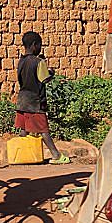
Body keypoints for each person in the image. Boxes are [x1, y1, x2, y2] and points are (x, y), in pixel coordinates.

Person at [15, 31, 70, 164]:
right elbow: (44, 79)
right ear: (34, 45)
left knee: (24, 129)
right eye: (39, 45)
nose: (40, 48)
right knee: (43, 129)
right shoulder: (38, 62)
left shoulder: (21, 61)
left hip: (22, 99)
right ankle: (56, 155)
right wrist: (51, 72)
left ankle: (22, 156)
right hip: (35, 101)